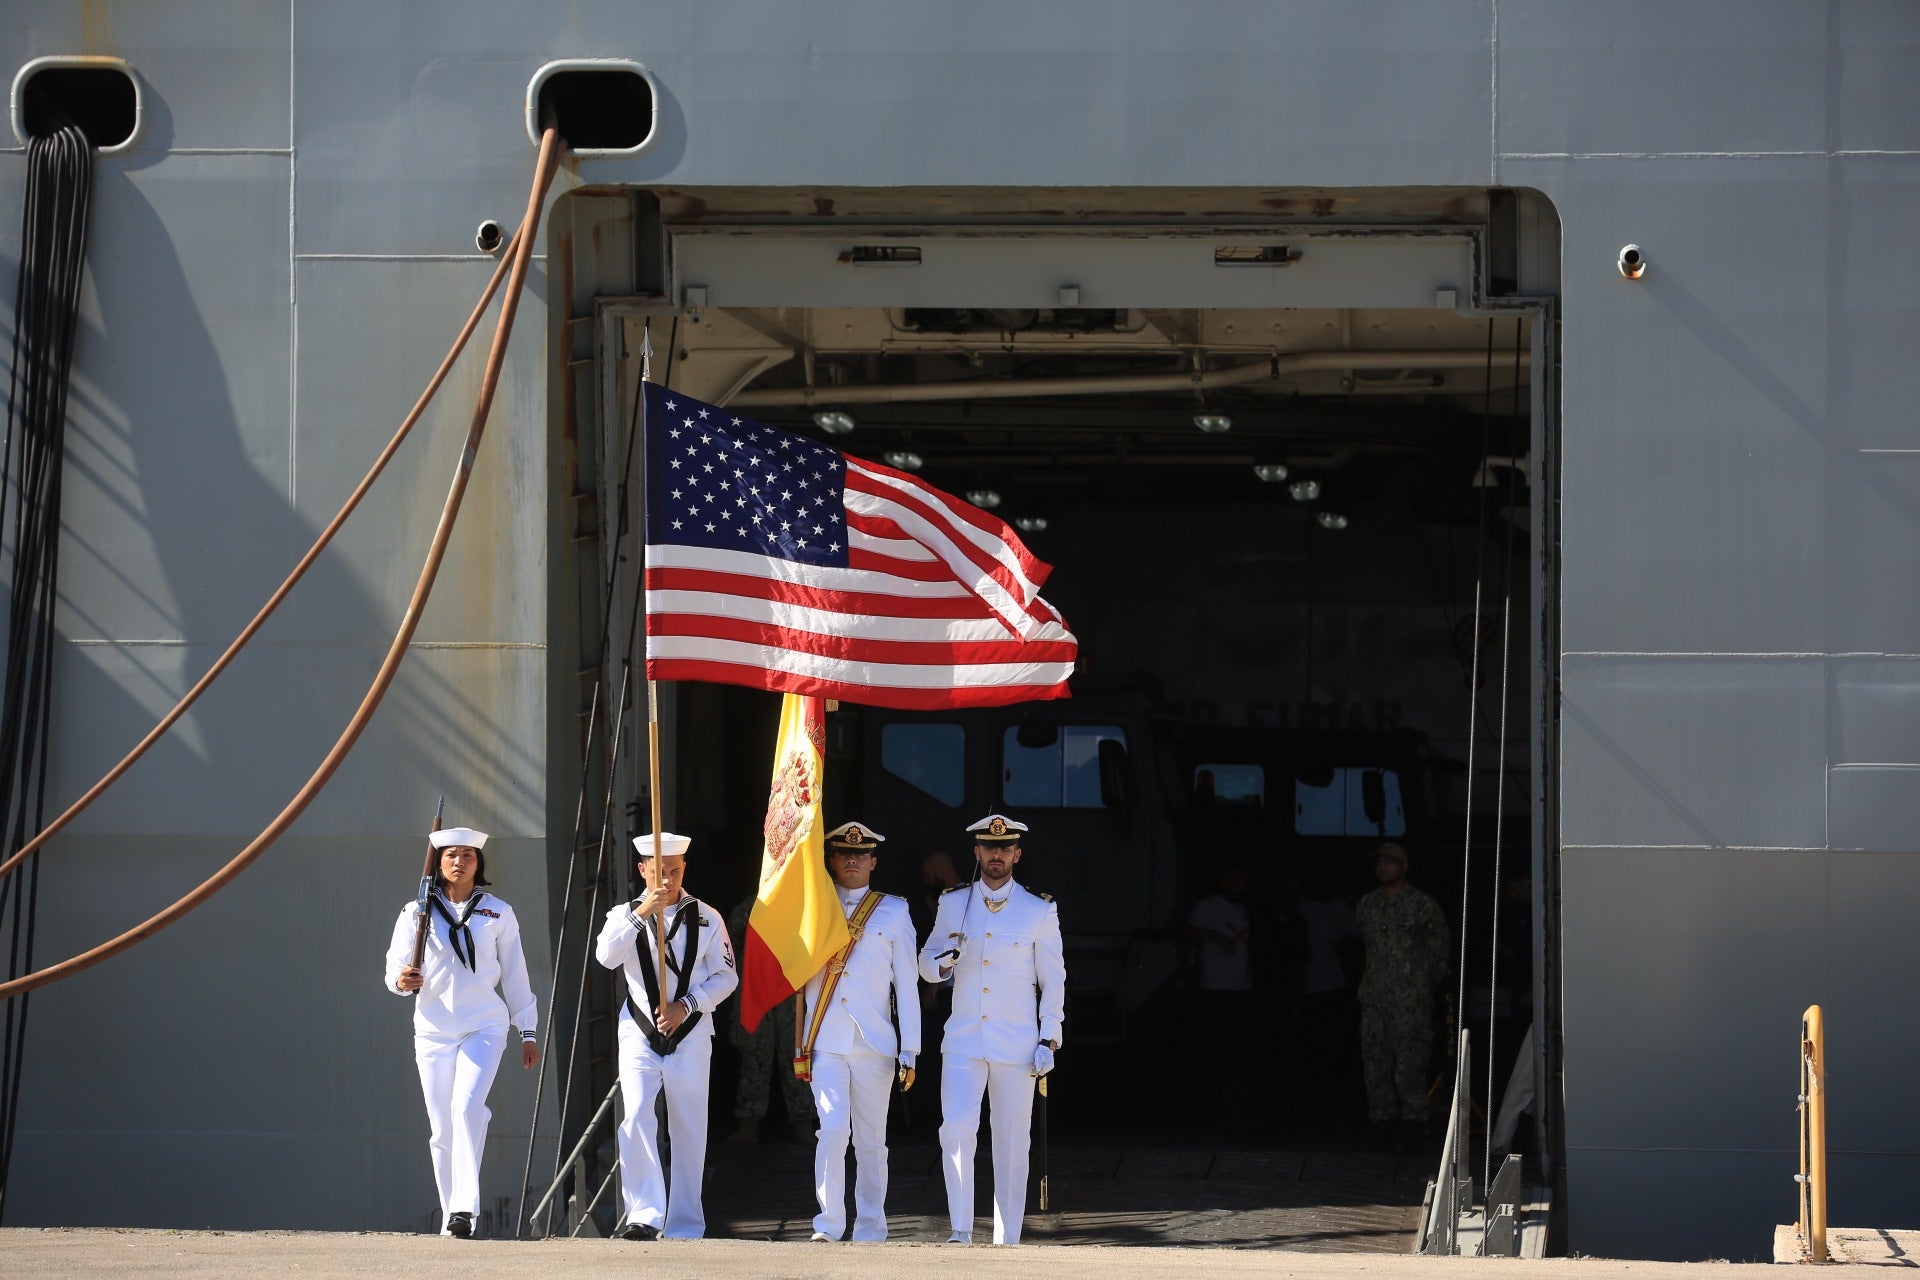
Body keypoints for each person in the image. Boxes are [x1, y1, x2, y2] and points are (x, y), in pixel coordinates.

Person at [383, 824, 540, 1239]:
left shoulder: (498, 912)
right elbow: (394, 966)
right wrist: (402, 981)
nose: (459, 862)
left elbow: (516, 974)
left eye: (467, 855)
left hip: (484, 1026)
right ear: (438, 862)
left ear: (478, 862)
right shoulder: (415, 911)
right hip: (433, 1029)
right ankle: (452, 1217)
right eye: (451, 855)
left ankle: (464, 1209)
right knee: (441, 1128)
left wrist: (527, 1031)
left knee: (467, 1107)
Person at [918, 814, 1065, 1246]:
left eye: (1004, 848)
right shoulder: (953, 902)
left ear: (1017, 854)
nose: (995, 854)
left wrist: (1049, 1036)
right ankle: (961, 1229)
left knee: (1012, 1141)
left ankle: (1007, 1236)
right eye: (988, 847)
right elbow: (925, 963)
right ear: (977, 852)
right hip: (964, 1038)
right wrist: (943, 963)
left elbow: (1053, 978)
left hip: (1017, 1042)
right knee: (955, 1129)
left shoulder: (1039, 909)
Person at [594, 831, 738, 1240]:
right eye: (659, 871)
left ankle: (685, 1222)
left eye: (675, 871)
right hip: (639, 1030)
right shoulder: (622, 916)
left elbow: (727, 976)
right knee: (637, 1113)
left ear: (684, 869)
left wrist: (687, 1005)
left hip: (690, 1031)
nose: (668, 880)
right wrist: (642, 913)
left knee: (689, 1125)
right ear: (642, 870)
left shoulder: (707, 917)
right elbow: (606, 957)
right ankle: (644, 1214)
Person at [799, 821, 921, 1243]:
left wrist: (911, 1049)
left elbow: (907, 983)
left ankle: (870, 1227)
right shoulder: (811, 905)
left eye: (861, 855)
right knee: (833, 1131)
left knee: (871, 1141)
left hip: (875, 1042)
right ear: (832, 861)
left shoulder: (894, 911)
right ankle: (829, 1224)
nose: (853, 861)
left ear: (873, 862)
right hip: (825, 1039)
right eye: (845, 854)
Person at [1354, 841, 1449, 1148]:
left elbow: (1440, 951)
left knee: (1409, 1065)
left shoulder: (1421, 905)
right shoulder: (1368, 904)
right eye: (1379, 863)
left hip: (1410, 1001)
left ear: (1404, 867)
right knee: (1375, 1064)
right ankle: (1382, 1123)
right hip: (1374, 998)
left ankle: (1413, 1125)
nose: (1383, 867)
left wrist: (1419, 985)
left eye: (1390, 862)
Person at [723, 894, 816, 1145]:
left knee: (796, 1055)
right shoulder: (749, 907)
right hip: (756, 991)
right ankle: (748, 1124)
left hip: (791, 990)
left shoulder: (803, 904)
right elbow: (728, 946)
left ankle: (804, 1123)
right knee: (754, 1056)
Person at [1186, 863, 1255, 1128]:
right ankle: (1227, 1109)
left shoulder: (1241, 910)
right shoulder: (1209, 906)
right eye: (1236, 881)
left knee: (1236, 1050)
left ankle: (1239, 1107)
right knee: (1218, 1049)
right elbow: (1190, 931)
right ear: (1225, 881)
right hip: (1215, 987)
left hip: (1239, 988)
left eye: (1243, 882)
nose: (1240, 887)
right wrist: (1216, 935)